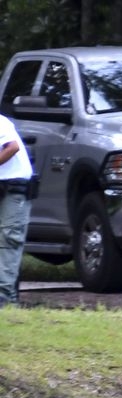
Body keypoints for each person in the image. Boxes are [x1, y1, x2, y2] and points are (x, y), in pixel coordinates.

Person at [0, 113, 34, 307]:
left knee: (8, 238)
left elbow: (12, 147)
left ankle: (4, 297)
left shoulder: (0, 122)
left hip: (13, 187)